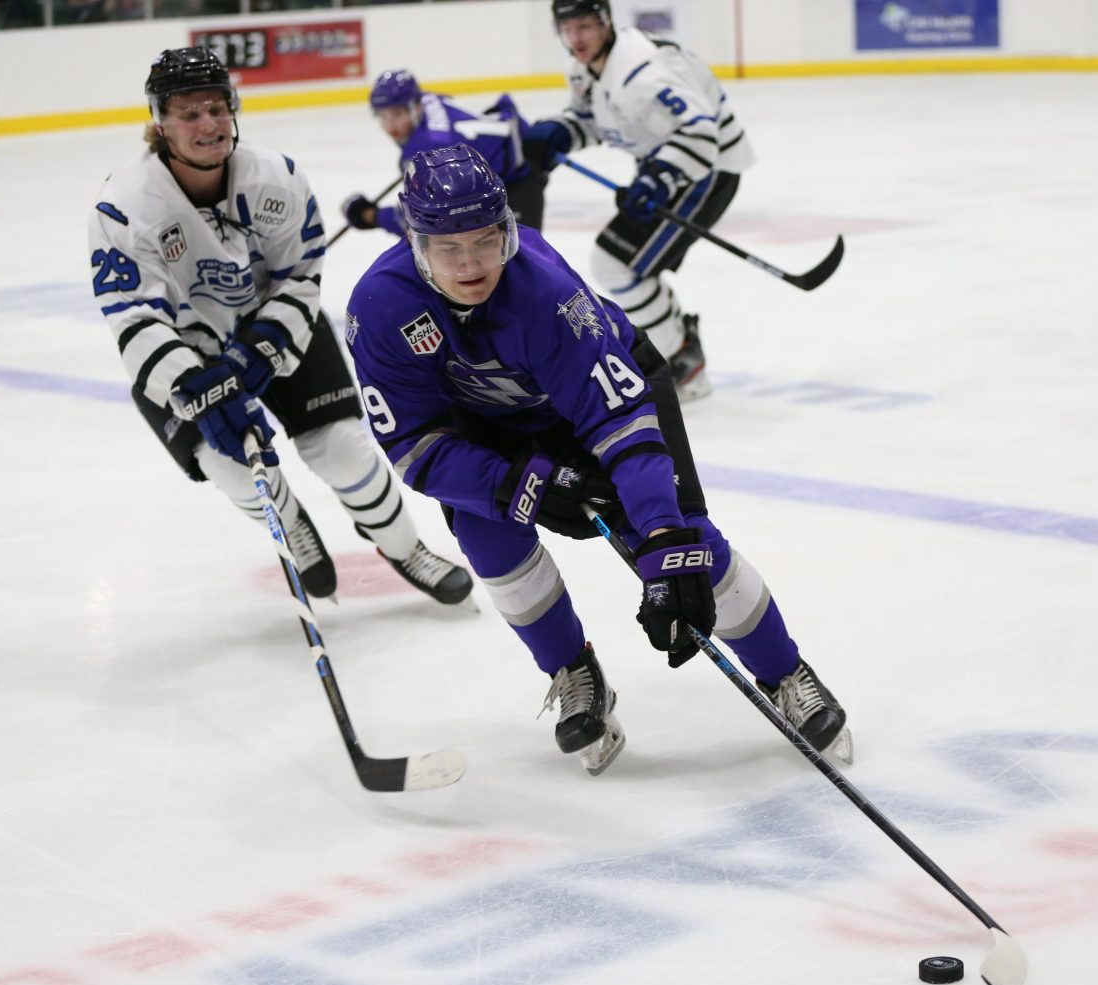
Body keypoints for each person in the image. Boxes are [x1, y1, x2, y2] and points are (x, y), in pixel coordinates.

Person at [344, 144, 850, 776]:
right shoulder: (380, 309)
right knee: (487, 537)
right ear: (416, 244)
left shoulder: (545, 290)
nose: (472, 263)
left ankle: (786, 672)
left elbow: (617, 420)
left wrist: (665, 536)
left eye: (485, 239)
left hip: (610, 403)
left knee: (685, 546)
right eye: (449, 248)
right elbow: (413, 445)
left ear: (506, 228)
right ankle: (573, 669)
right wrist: (514, 484)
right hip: (495, 433)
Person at [88, 47, 472, 607]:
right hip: (187, 356)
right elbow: (133, 314)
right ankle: (289, 524)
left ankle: (403, 545)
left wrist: (263, 348)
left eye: (217, 108)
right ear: (160, 122)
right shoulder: (124, 206)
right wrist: (190, 386)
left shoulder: (278, 179)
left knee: (343, 449)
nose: (208, 125)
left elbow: (300, 276)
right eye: (190, 114)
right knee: (234, 467)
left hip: (271, 329)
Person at [520, 0, 755, 402]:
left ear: (606, 22)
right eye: (568, 29)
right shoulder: (584, 67)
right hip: (668, 166)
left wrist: (659, 179)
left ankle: (682, 361)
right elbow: (604, 120)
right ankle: (680, 348)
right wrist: (563, 131)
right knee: (619, 263)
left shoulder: (644, 71)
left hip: (705, 170)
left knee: (617, 263)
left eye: (585, 27)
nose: (576, 39)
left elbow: (701, 134)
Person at [339, 69, 549, 239]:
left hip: (517, 184)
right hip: (504, 156)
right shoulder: (428, 100)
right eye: (383, 116)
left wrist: (370, 216)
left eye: (397, 114)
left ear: (416, 107)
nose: (390, 125)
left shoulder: (427, 147)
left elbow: (425, 218)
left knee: (513, 261)